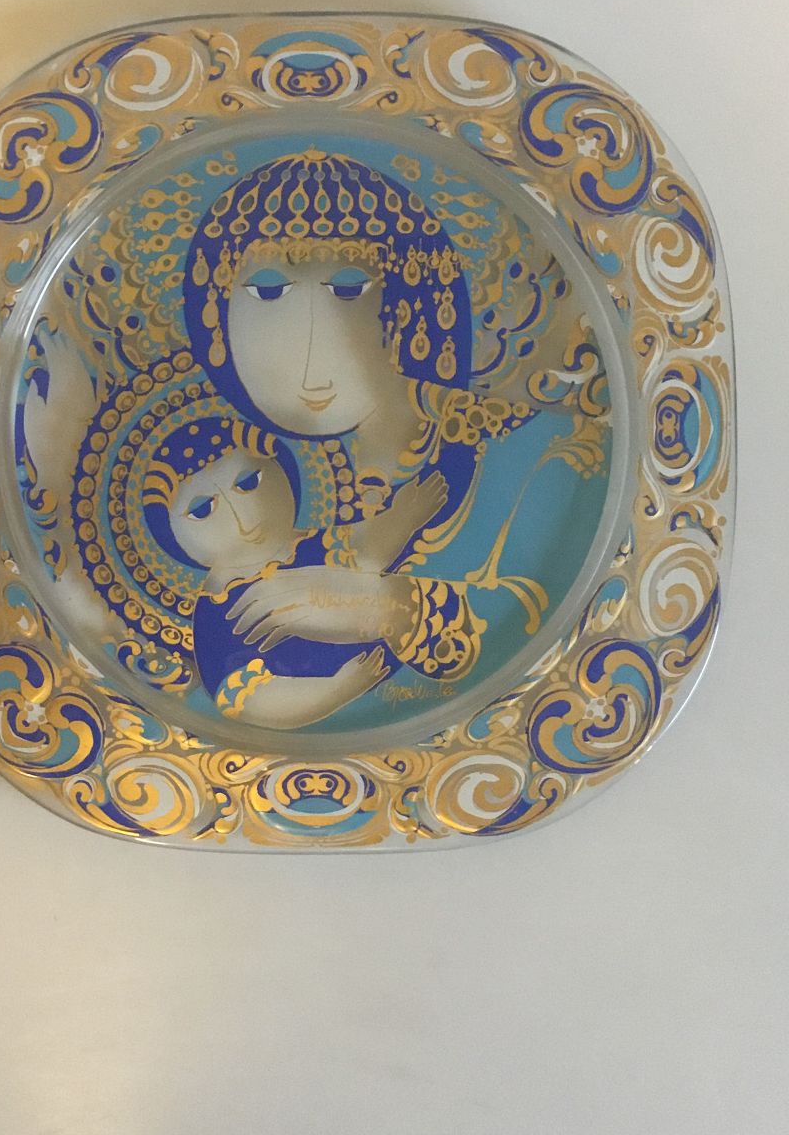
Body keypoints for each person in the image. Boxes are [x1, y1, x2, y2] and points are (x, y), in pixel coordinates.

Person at [182, 148, 549, 681]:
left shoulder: (532, 450)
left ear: (410, 299)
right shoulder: (267, 475)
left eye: (349, 290)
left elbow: (534, 628)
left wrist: (385, 610)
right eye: (268, 291)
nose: (312, 354)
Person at [141, 412, 451, 728]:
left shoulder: (312, 542)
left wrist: (403, 517)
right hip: (355, 696)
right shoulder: (218, 607)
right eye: (201, 510)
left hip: (407, 683)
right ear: (171, 535)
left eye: (248, 483)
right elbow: (242, 698)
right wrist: (338, 689)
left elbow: (365, 552)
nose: (242, 518)